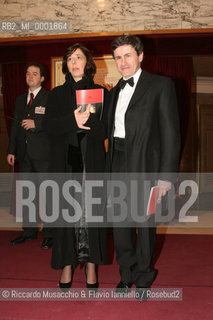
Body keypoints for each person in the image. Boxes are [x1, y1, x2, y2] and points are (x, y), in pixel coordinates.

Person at [107, 35, 180, 300]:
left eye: (127, 55)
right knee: (121, 226)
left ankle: (144, 279)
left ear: (140, 56)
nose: (123, 62)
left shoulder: (161, 85)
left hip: (146, 168)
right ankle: (126, 276)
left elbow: (172, 135)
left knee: (145, 226)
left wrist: (166, 178)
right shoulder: (114, 91)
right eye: (118, 57)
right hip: (117, 164)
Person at [44, 43, 108, 290]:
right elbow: (49, 127)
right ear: (66, 65)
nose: (74, 62)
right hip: (65, 163)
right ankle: (67, 265)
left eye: (78, 57)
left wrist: (89, 120)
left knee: (92, 215)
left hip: (92, 162)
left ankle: (91, 265)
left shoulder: (102, 92)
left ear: (88, 62)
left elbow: (105, 131)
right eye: (69, 58)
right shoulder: (57, 94)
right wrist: (73, 119)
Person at [7, 62, 53, 250]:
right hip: (24, 155)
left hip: (44, 155)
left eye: (35, 74)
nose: (30, 76)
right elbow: (15, 127)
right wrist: (11, 150)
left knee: (47, 195)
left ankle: (50, 234)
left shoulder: (50, 98)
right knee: (27, 194)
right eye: (28, 74)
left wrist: (37, 124)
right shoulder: (19, 100)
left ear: (42, 78)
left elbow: (54, 124)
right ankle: (28, 231)